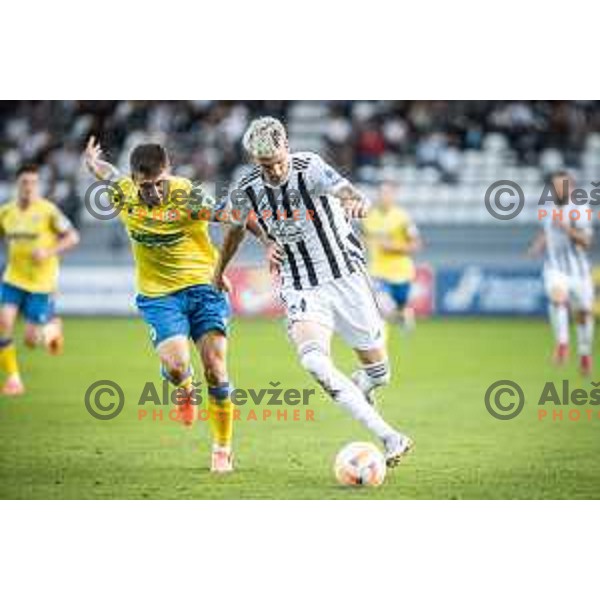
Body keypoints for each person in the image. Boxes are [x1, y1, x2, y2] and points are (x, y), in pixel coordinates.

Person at [214, 117, 413, 467]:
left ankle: (364, 384)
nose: (273, 170)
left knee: (381, 372)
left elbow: (348, 192)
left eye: (277, 160)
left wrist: (357, 202)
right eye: (265, 165)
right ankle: (389, 436)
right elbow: (236, 227)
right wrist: (236, 259)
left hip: (346, 276)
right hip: (299, 281)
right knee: (313, 361)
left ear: (286, 146)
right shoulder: (246, 187)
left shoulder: (310, 167)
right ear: (253, 162)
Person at [84, 137, 235, 472]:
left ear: (169, 173)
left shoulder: (188, 195)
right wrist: (93, 164)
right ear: (133, 180)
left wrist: (221, 268)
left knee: (216, 368)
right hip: (158, 295)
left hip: (203, 285)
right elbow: (108, 174)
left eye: (159, 183)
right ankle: (183, 385)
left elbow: (234, 219)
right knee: (179, 365)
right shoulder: (122, 191)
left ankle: (222, 449)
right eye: (145, 186)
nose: (152, 192)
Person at [0, 164, 80, 395]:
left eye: (34, 183)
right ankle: (14, 380)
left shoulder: (48, 211)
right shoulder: (6, 212)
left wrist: (48, 251)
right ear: (18, 184)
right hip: (13, 278)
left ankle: (53, 327)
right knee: (4, 323)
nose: (29, 187)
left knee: (31, 340)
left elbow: (73, 237)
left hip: (40, 282)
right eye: (25, 182)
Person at [529, 170, 594, 375]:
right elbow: (545, 230)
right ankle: (563, 344)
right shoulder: (547, 207)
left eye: (562, 185)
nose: (558, 189)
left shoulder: (581, 209)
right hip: (555, 267)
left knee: (583, 314)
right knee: (557, 297)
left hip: (580, 272)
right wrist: (537, 246)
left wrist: (567, 228)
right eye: (555, 185)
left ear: (571, 187)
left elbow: (586, 241)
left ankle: (584, 353)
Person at [363, 182, 422, 332]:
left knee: (400, 304)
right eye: (382, 193)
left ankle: (402, 314)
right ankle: (378, 342)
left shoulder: (403, 218)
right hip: (378, 271)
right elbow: (364, 240)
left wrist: (393, 247)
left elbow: (416, 245)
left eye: (388, 193)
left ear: (394, 196)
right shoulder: (369, 217)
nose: (384, 197)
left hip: (401, 272)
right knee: (380, 307)